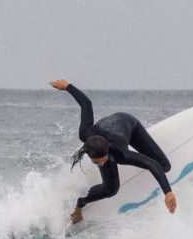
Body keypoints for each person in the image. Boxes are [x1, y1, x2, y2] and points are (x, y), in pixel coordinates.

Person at [49, 79, 176, 224]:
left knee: (164, 166)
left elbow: (152, 164)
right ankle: (79, 201)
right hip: (106, 128)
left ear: (107, 152)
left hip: (129, 125)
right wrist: (67, 87)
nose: (102, 164)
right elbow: (86, 104)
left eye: (103, 160)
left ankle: (144, 148)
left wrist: (168, 192)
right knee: (111, 190)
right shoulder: (85, 133)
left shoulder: (121, 154)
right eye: (96, 162)